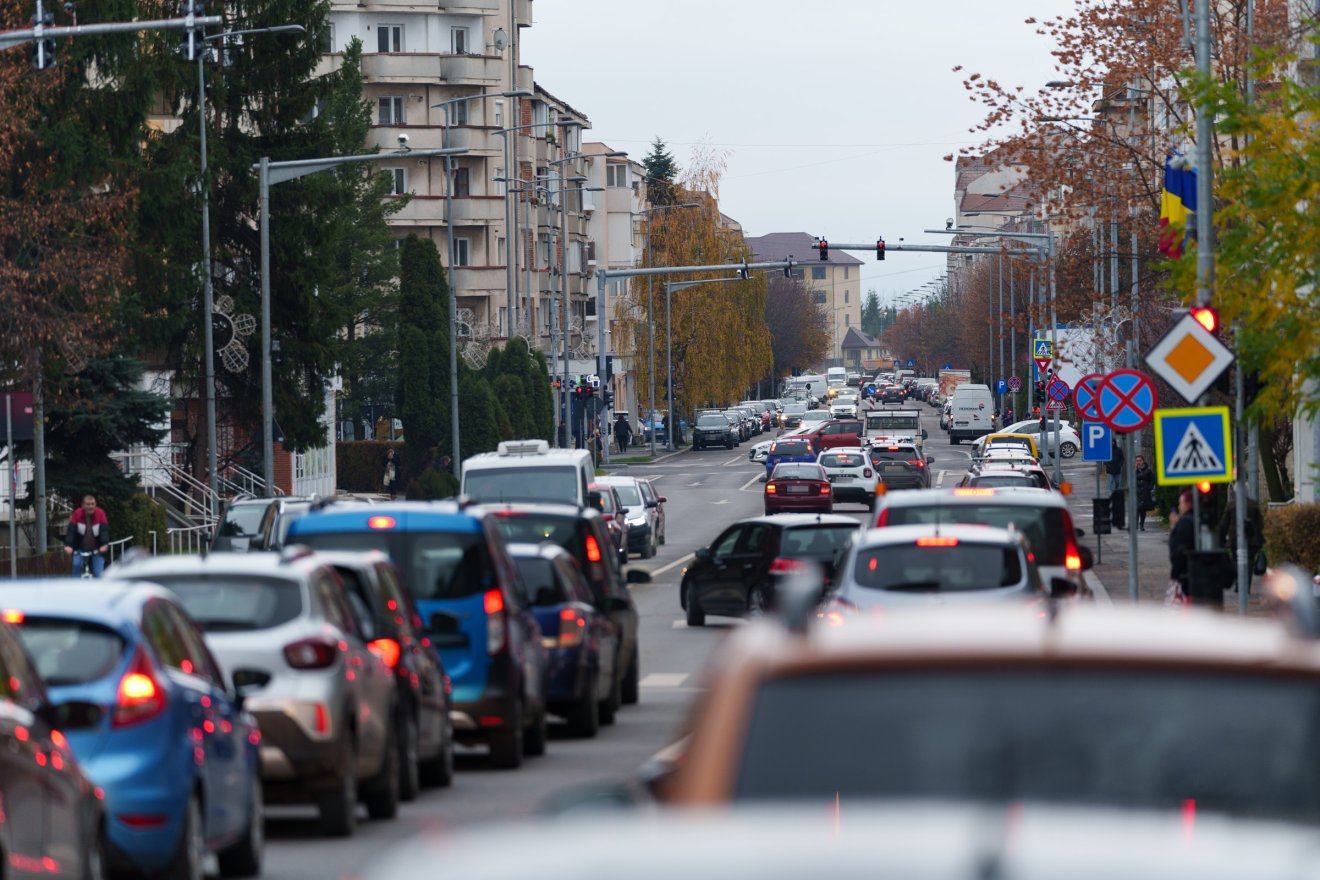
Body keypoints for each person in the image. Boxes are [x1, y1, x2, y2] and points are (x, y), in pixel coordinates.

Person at [1218, 496, 1265, 588]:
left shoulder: (1231, 504)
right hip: (1251, 538)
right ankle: (1246, 586)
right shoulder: (1253, 504)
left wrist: (1222, 536)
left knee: (1236, 559)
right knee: (1249, 561)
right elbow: (1260, 523)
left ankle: (1238, 583)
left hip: (1234, 538)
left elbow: (1225, 523)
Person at [64, 494, 109, 577]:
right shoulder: (77, 514)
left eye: (93, 504)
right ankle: (75, 587)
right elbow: (71, 531)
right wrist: (68, 545)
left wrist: (104, 544)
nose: (91, 506)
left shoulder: (100, 514)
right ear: (83, 505)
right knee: (76, 565)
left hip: (97, 548)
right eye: (88, 504)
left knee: (98, 573)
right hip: (80, 548)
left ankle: (99, 589)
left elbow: (104, 532)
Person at [1168, 488, 1195, 595]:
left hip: (1186, 576)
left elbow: (1175, 550)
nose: (1179, 507)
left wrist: (1174, 526)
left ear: (1188, 504)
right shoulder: (1193, 519)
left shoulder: (1185, 523)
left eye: (1181, 503)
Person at [1133, 454, 1155, 531]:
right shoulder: (1134, 471)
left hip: (1145, 492)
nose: (1138, 462)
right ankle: (1135, 525)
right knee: (1136, 509)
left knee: (1143, 509)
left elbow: (1152, 480)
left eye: (1140, 460)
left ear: (1143, 461)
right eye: (1137, 461)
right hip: (1136, 492)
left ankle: (1142, 525)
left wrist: (1149, 488)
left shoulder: (1148, 470)